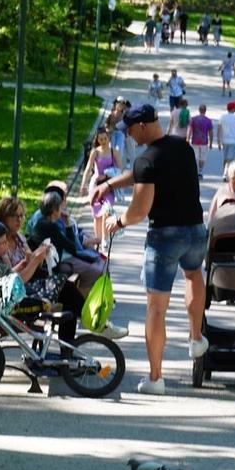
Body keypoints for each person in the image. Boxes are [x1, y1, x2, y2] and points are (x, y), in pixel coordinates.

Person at [93, 103, 209, 395]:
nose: (129, 136)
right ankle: (196, 339)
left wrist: (117, 221)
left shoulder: (147, 160)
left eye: (130, 129)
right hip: (196, 231)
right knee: (194, 275)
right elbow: (144, 173)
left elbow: (139, 210)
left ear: (143, 125)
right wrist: (109, 183)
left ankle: (156, 379)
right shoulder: (182, 148)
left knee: (156, 309)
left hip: (165, 238)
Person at [0, 220, 78, 363]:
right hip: (11, 307)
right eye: (3, 243)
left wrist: (21, 265)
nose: (6, 246)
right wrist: (35, 261)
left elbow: (8, 278)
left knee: (65, 289)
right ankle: (69, 349)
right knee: (65, 291)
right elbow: (17, 282)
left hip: (6, 303)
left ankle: (68, 348)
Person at [79, 127, 123, 245]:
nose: (103, 141)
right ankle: (98, 240)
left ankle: (104, 239)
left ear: (109, 138)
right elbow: (88, 169)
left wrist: (108, 174)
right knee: (97, 215)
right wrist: (83, 185)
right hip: (96, 186)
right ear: (97, 140)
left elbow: (120, 169)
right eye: (101, 139)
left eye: (105, 138)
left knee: (107, 211)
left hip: (109, 185)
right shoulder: (95, 152)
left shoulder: (114, 151)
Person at [187, 104, 213, 178]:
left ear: (199, 110)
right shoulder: (208, 120)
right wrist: (211, 142)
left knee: (195, 156)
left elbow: (190, 130)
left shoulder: (193, 119)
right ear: (205, 111)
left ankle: (195, 171)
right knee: (202, 157)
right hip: (204, 141)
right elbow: (210, 132)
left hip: (195, 140)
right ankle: (200, 171)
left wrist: (188, 139)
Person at [218, 101, 235, 174]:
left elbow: (219, 128)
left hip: (225, 140)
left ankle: (225, 172)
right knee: (230, 159)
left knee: (226, 158)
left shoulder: (223, 117)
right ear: (232, 108)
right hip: (234, 140)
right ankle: (226, 173)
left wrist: (219, 140)